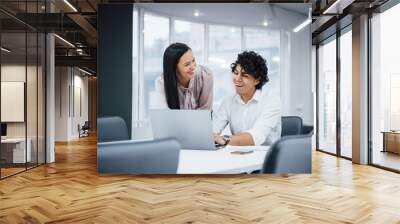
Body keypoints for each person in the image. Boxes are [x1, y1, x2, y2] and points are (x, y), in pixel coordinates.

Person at [213, 51, 281, 146]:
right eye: (236, 73)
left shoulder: (271, 100)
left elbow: (256, 136)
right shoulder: (228, 101)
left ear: (257, 80)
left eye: (245, 76)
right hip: (236, 155)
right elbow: (213, 129)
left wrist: (225, 140)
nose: (237, 79)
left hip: (265, 156)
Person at [153, 43, 213, 110]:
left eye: (193, 61)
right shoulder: (162, 82)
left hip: (200, 120)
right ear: (174, 68)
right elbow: (164, 112)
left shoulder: (205, 75)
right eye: (187, 64)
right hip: (174, 120)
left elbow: (205, 111)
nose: (193, 66)